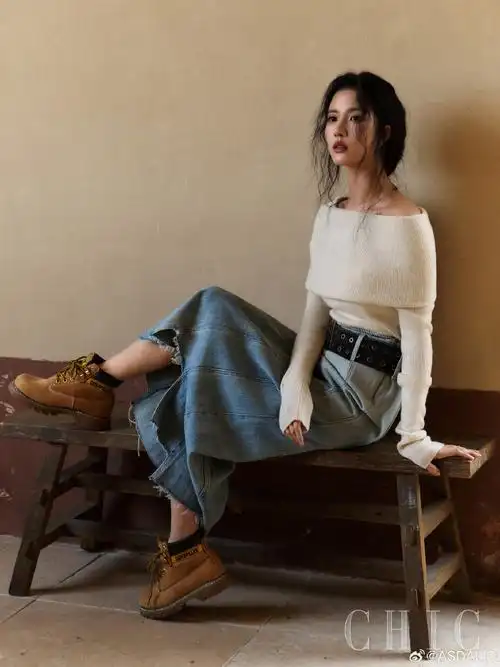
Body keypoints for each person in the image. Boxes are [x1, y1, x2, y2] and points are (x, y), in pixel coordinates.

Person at [9, 71, 480, 620]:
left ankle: (175, 532)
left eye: (357, 118)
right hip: (320, 367)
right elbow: (315, 315)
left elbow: (419, 338)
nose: (340, 130)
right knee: (212, 307)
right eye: (332, 118)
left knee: (198, 377)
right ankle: (108, 395)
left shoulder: (408, 224)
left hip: (362, 399)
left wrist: (415, 436)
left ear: (386, 131)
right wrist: (295, 382)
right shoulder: (331, 213)